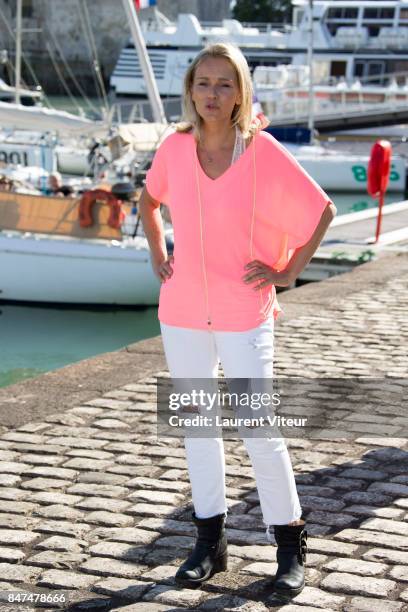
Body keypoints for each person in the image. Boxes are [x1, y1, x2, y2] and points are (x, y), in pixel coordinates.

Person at [139, 42, 337, 597]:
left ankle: (290, 543)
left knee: (258, 427)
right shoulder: (175, 148)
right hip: (180, 310)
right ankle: (209, 542)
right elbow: (148, 200)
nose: (212, 94)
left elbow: (321, 208)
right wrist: (158, 252)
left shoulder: (262, 150)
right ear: (190, 89)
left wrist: (286, 270)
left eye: (224, 84)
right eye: (203, 82)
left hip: (243, 309)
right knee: (197, 427)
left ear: (240, 93)